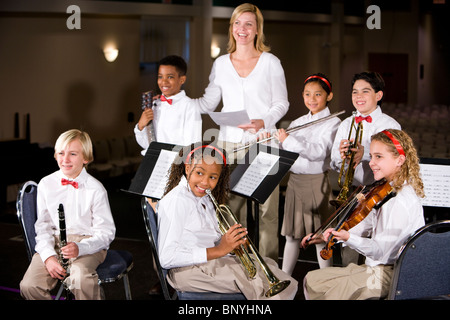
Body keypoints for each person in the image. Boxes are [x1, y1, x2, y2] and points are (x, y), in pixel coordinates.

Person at [193, 3, 289, 261]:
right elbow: (208, 103)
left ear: (257, 29)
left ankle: (269, 267)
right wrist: (176, 101)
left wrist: (264, 120)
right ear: (231, 28)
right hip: (228, 143)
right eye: (237, 23)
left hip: (263, 142)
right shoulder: (221, 63)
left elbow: (282, 102)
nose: (242, 29)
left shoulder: (270, 62)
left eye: (248, 24)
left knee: (267, 210)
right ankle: (240, 262)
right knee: (230, 208)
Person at [157, 143, 298, 300]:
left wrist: (233, 244)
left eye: (212, 177)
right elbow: (167, 257)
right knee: (263, 284)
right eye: (199, 173)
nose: (205, 182)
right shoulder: (177, 201)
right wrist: (221, 249)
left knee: (270, 265)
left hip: (206, 262)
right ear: (188, 168)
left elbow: (209, 236)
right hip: (187, 271)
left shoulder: (204, 197)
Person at [301, 129, 425, 300]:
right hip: (376, 268)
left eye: (379, 157)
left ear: (400, 160)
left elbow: (381, 252)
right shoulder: (385, 190)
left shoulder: (400, 200)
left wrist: (348, 238)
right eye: (372, 156)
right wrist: (330, 235)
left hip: (393, 274)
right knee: (313, 280)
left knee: (333, 293)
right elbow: (364, 224)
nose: (371, 163)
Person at [20, 129, 115, 300]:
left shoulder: (96, 189)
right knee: (29, 286)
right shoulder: (46, 184)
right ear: (55, 155)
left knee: (80, 279)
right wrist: (49, 256)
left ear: (85, 158)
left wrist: (81, 247)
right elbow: (42, 227)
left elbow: (106, 232)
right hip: (54, 242)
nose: (65, 160)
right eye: (61, 153)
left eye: (73, 154)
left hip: (88, 244)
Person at [267, 73, 341, 275]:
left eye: (318, 94)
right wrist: (272, 141)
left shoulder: (334, 123)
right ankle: (285, 280)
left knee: (319, 238)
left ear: (329, 96)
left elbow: (318, 152)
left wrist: (288, 140)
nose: (312, 99)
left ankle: (327, 283)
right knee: (291, 236)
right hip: (295, 182)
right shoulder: (298, 122)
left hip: (316, 183)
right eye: (308, 94)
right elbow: (286, 151)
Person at [330, 71, 401, 266]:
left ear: (378, 95)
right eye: (354, 92)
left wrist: (366, 155)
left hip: (381, 194)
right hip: (354, 193)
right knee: (349, 249)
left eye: (365, 91)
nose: (358, 97)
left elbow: (397, 162)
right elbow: (334, 163)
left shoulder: (390, 124)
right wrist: (343, 157)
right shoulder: (346, 124)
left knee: (376, 252)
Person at [134, 55, 202, 155]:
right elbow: (146, 144)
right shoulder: (154, 104)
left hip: (176, 164)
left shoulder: (190, 107)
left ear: (182, 80)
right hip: (152, 161)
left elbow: (193, 146)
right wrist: (141, 125)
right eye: (160, 76)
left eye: (170, 77)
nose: (164, 82)